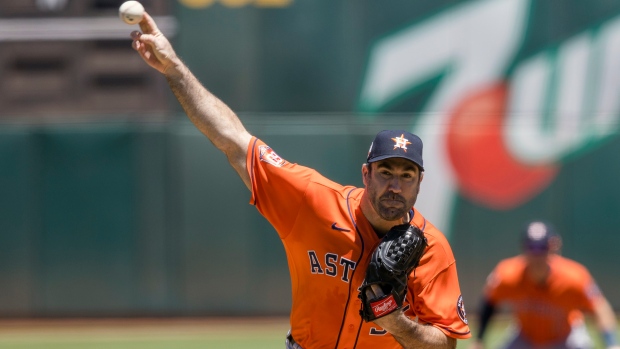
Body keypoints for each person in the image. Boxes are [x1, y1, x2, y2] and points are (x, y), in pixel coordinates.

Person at [129, 12, 471, 349]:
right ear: (366, 174)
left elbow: (445, 345)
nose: (395, 185)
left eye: (406, 175)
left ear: (419, 182)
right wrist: (173, 67)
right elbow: (232, 140)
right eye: (385, 172)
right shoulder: (313, 200)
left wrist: (393, 320)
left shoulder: (433, 249)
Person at [470, 220, 620, 349]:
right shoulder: (508, 274)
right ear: (524, 248)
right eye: (532, 247)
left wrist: (611, 343)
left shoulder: (574, 276)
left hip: (566, 337)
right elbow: (489, 303)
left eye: (542, 248)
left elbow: (600, 307)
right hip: (525, 337)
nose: (537, 255)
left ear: (553, 248)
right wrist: (479, 340)